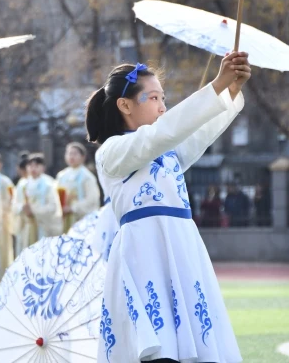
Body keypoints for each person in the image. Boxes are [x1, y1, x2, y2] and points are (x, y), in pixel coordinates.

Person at [86, 53, 249, 362]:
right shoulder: (112, 152)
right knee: (157, 351)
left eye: (164, 98)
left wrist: (230, 90)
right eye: (154, 97)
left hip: (182, 254)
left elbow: (197, 131)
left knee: (197, 349)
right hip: (144, 257)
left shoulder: (167, 149)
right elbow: (159, 135)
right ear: (125, 105)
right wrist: (216, 85)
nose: (163, 106)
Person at [14, 153, 62, 253]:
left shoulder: (48, 184)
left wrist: (34, 211)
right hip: (26, 226)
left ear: (43, 168)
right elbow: (14, 204)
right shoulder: (22, 184)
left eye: (37, 166)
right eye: (31, 166)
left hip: (43, 226)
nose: (33, 169)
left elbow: (53, 207)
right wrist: (22, 208)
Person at [56, 142, 101, 232]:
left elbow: (92, 199)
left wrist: (73, 208)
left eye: (75, 154)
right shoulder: (61, 176)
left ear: (83, 157)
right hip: (64, 218)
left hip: (81, 219)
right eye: (69, 153)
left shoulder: (87, 176)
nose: (71, 157)